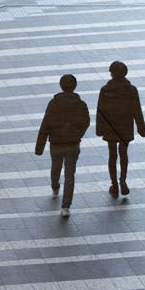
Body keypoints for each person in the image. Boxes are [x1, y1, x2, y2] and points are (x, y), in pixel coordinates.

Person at [35, 74, 91, 217]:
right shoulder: (80, 104)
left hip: (56, 144)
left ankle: (55, 187)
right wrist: (78, 134)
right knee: (70, 175)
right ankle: (66, 207)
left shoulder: (53, 103)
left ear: (61, 86)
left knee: (55, 168)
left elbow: (45, 124)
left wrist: (40, 146)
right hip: (73, 144)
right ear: (74, 86)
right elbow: (86, 121)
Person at [96, 60, 145, 198]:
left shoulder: (105, 90)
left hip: (110, 127)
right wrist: (141, 129)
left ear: (111, 74)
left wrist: (99, 129)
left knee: (112, 155)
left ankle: (114, 185)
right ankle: (123, 181)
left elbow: (100, 110)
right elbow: (137, 110)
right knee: (123, 154)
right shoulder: (131, 90)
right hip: (125, 127)